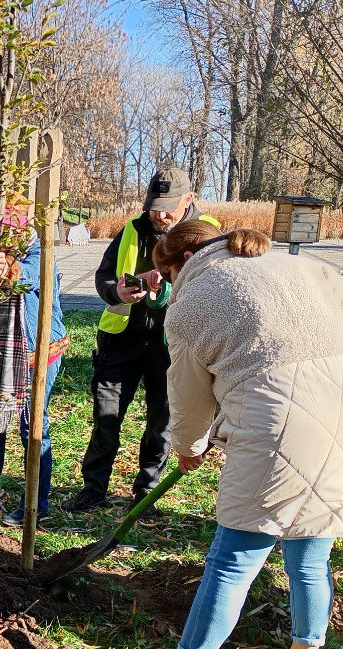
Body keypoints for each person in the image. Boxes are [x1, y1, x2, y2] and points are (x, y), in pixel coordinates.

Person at [115, 222, 343, 649]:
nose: (168, 283)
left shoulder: (191, 304)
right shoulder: (305, 268)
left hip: (278, 435)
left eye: (168, 274)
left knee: (234, 560)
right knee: (309, 556)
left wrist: (188, 446)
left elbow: (189, 398)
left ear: (180, 262)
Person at [66, 167, 220, 516]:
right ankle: (93, 488)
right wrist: (116, 291)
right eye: (153, 206)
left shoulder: (207, 234)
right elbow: (104, 276)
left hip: (174, 347)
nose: (159, 214)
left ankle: (146, 493)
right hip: (121, 340)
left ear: (189, 200)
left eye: (167, 207)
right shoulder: (132, 230)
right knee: (106, 417)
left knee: (161, 423)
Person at [0, 193, 70, 526]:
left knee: (32, 426)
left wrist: (7, 268)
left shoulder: (39, 251)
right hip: (0, 353)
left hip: (38, 353)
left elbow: (27, 276)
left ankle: (36, 503)